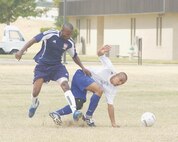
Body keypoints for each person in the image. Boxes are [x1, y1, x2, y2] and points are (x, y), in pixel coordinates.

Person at [15, 23, 91, 121]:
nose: (68, 36)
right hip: (43, 65)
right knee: (35, 91)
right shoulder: (50, 34)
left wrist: (83, 67)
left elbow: (74, 56)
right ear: (62, 30)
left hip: (57, 67)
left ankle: (74, 111)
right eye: (67, 34)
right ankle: (34, 103)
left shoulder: (69, 43)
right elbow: (34, 40)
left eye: (70, 34)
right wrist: (21, 51)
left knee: (65, 85)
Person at [49, 45, 127, 127]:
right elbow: (100, 54)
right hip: (81, 74)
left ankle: (56, 113)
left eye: (122, 83)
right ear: (116, 75)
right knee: (99, 90)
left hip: (84, 83)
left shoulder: (112, 89)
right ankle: (88, 117)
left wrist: (113, 123)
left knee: (78, 104)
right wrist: (101, 50)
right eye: (120, 80)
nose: (120, 83)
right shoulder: (110, 68)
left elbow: (110, 106)